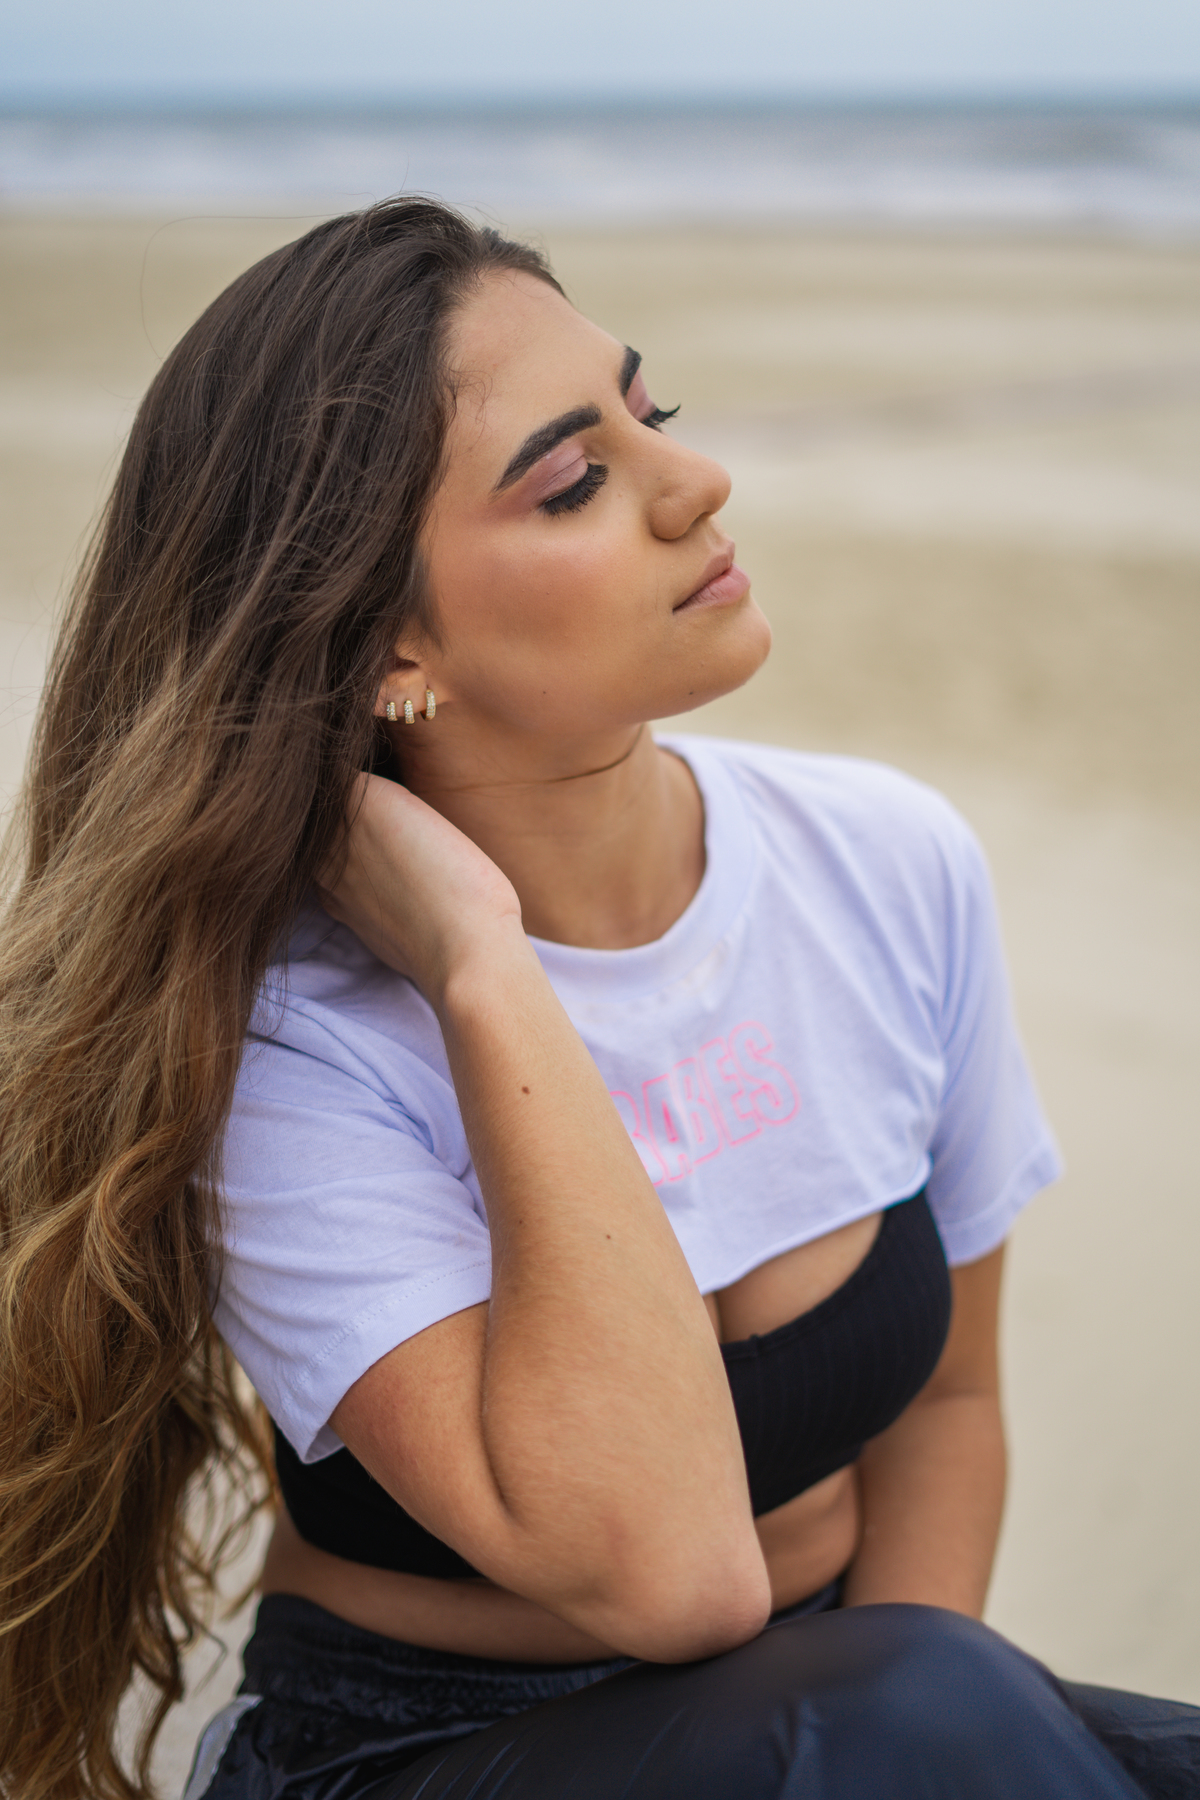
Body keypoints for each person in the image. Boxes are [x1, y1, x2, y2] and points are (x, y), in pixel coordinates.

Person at [1, 198, 1196, 1800]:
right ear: (387, 650)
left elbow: (951, 1404)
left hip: (880, 1718)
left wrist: (929, 1734)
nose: (696, 483)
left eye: (656, 414)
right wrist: (482, 970)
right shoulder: (284, 1043)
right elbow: (673, 1575)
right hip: (431, 1752)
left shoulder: (890, 866)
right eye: (576, 479)